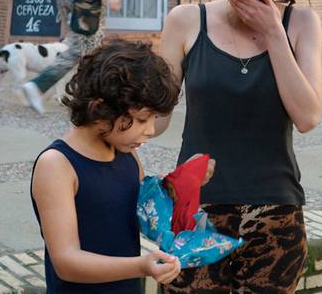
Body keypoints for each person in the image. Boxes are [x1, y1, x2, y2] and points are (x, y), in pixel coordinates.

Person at [155, 0, 322, 293]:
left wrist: (274, 34)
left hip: (275, 211)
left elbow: (307, 115)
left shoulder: (301, 23)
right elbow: (157, 117)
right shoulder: (185, 20)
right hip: (195, 212)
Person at [30, 39, 214, 293]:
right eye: (141, 119)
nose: (150, 131)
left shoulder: (125, 153)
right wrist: (141, 266)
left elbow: (142, 211)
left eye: (153, 119)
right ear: (100, 109)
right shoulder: (57, 165)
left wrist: (183, 181)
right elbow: (66, 261)